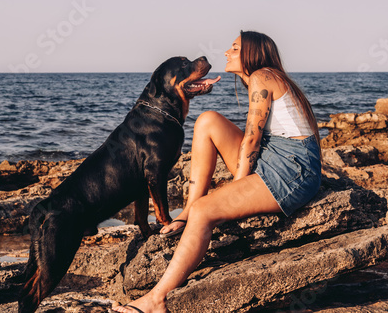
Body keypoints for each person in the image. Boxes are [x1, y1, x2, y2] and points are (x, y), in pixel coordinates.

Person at [112, 31, 322, 313]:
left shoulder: (262, 76)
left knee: (206, 211)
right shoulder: (264, 77)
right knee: (207, 121)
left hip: (292, 170)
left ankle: (156, 300)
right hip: (277, 157)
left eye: (234, 48)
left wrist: (237, 189)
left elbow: (251, 140)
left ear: (252, 53)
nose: (226, 52)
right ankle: (186, 212)